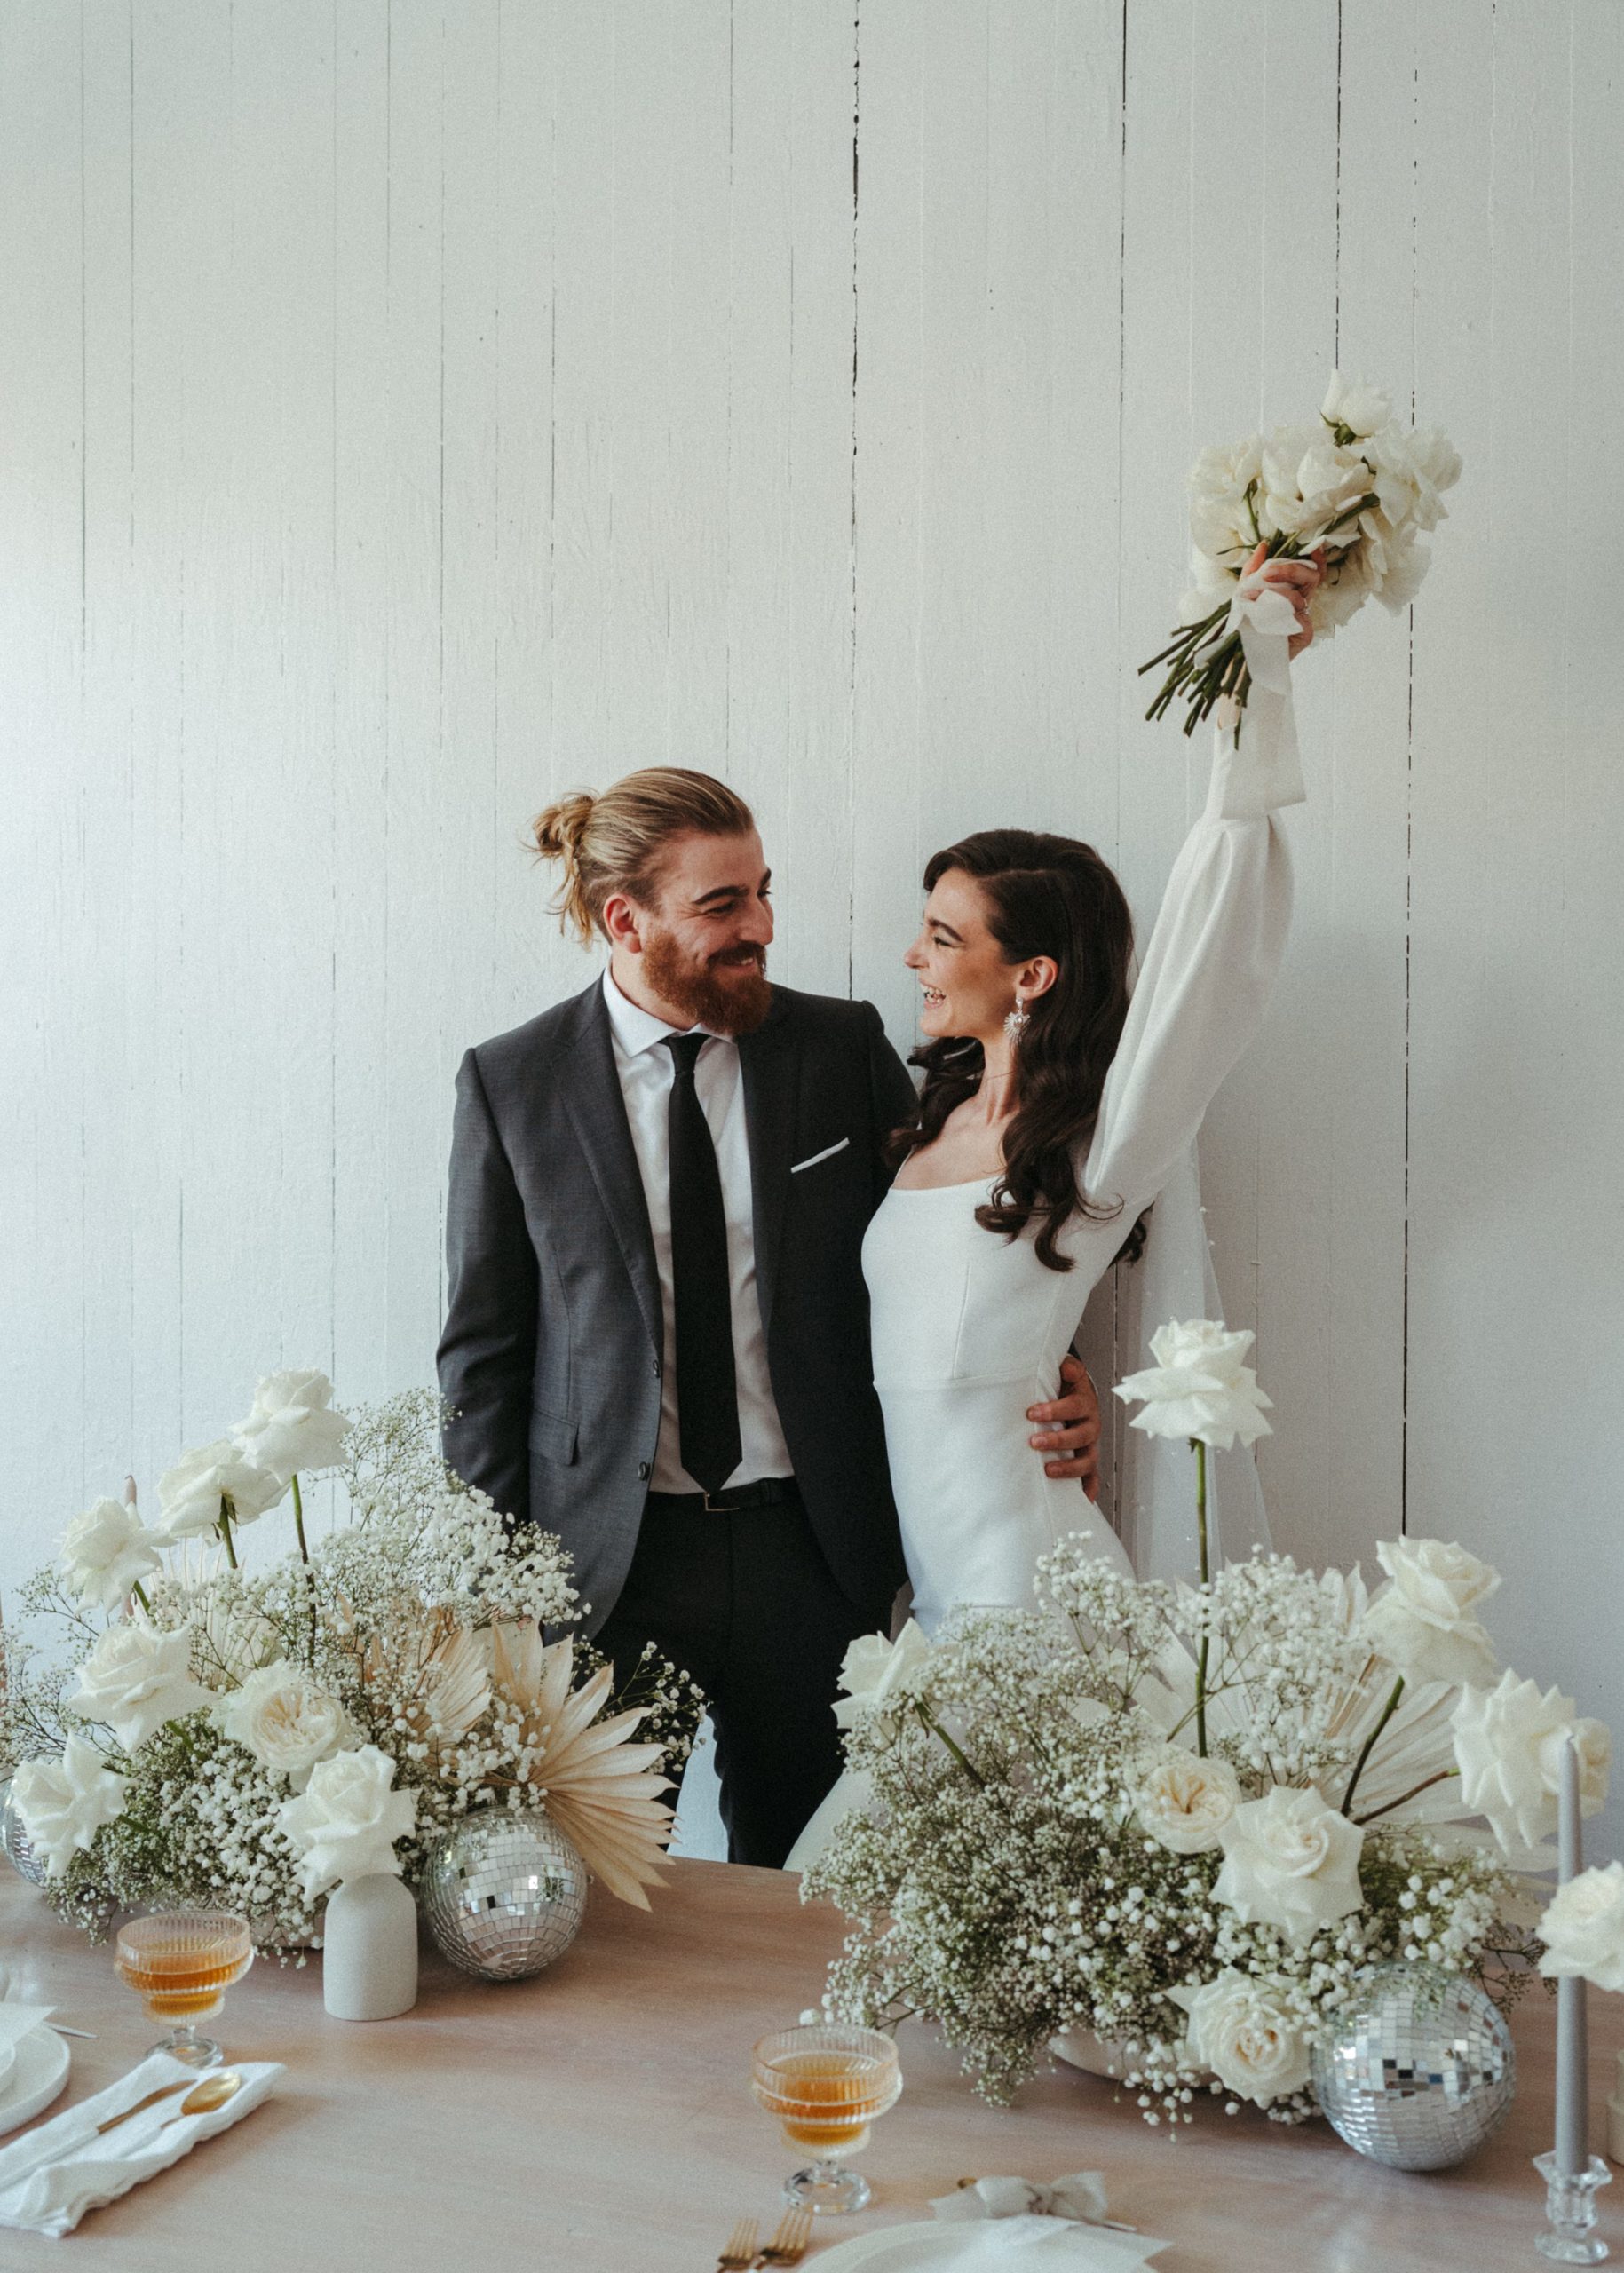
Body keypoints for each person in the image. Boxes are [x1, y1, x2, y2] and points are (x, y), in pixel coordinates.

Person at [434, 768, 1103, 1868]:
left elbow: (950, 1237)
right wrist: (497, 1587)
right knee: (598, 1892)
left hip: (810, 1546)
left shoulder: (835, 1051)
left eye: (763, 892)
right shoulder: (513, 1085)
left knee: (806, 1887)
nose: (761, 928)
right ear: (624, 919)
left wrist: (1050, 1367)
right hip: (608, 1564)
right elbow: (483, 1357)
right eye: (721, 906)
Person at [783, 541, 1324, 1867]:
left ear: (1031, 974)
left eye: (943, 936)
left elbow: (1210, 966)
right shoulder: (930, 1123)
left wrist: (1249, 694)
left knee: (888, 1892)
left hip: (1029, 1594)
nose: (910, 955)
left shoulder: (1093, 1143)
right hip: (937, 1593)